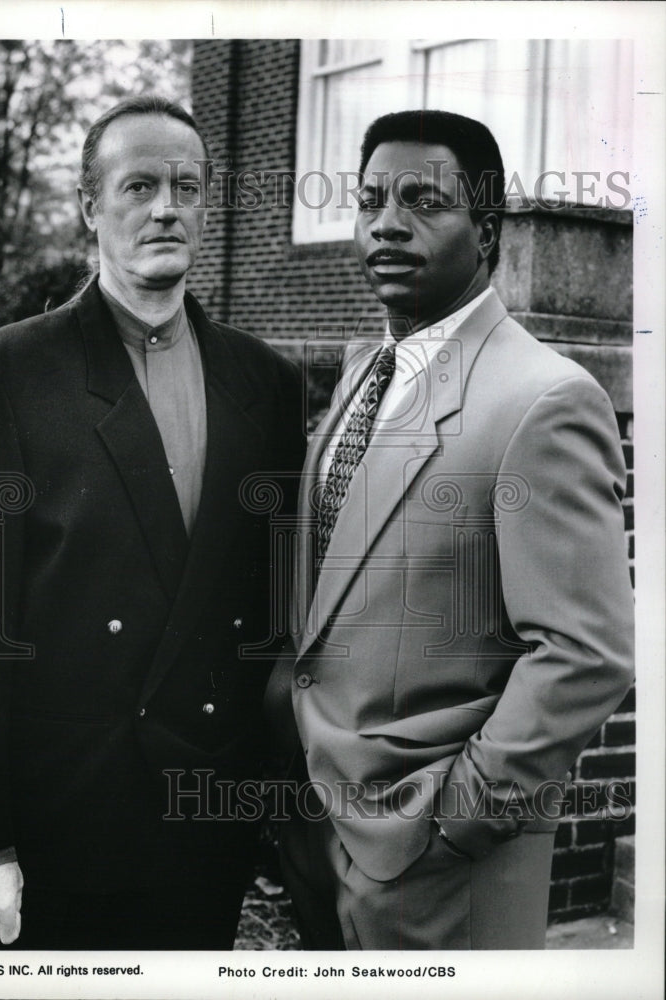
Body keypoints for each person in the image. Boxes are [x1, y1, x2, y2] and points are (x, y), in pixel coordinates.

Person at [0, 95, 305, 950]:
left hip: (203, 820)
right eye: (138, 185)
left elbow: (278, 616)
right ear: (91, 206)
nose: (165, 206)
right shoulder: (9, 371)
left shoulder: (267, 384)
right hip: (56, 820)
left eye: (186, 186)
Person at [265, 109, 634, 950]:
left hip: (435, 859)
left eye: (423, 201)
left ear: (488, 228)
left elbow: (588, 652)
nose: (386, 223)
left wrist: (452, 824)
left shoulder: (543, 399)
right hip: (319, 830)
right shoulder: (366, 370)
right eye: (370, 201)